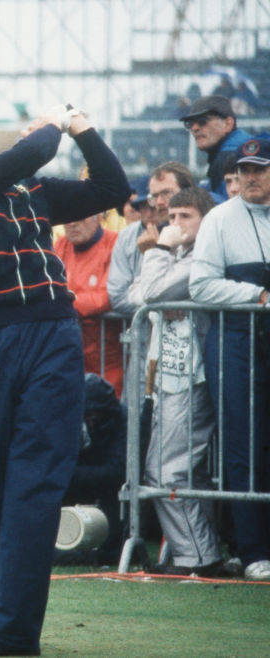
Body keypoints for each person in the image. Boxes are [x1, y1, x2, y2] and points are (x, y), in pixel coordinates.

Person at [0, 89, 129, 655]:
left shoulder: (33, 190)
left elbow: (113, 190)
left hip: (51, 335)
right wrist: (49, 126)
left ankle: (10, 630)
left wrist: (81, 128)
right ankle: (8, 611)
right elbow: (29, 153)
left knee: (35, 484)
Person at [189, 136, 270, 581]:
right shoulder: (219, 219)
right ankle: (251, 548)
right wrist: (256, 294)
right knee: (242, 442)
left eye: (259, 169)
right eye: (244, 170)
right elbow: (200, 286)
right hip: (236, 339)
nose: (250, 177)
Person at [138, 187, 222, 576]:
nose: (175, 225)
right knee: (176, 469)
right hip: (168, 375)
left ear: (206, 220)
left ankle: (197, 556)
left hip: (192, 375)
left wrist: (156, 249)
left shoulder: (202, 256)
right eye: (170, 218)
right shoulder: (177, 258)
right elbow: (134, 297)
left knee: (168, 471)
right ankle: (198, 551)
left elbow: (151, 291)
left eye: (185, 216)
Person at [57, 373, 127, 567]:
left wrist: (69, 475)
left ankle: (106, 550)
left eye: (91, 416)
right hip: (79, 478)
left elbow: (118, 472)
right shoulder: (67, 417)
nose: (87, 420)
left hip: (110, 489)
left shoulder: (122, 420)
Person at [108, 162, 194, 316]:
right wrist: (159, 307)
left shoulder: (196, 232)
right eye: (154, 197)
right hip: (148, 335)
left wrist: (156, 251)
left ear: (188, 193)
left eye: (166, 193)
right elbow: (122, 296)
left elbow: (155, 292)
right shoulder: (128, 235)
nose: (159, 203)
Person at [53, 209, 123, 396]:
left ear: (99, 216)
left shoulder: (116, 244)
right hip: (68, 358)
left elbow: (112, 295)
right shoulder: (60, 246)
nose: (72, 223)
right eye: (67, 217)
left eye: (80, 215)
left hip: (108, 362)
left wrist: (65, 304)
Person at [179, 95, 251, 202]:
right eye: (190, 124)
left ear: (227, 124)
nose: (194, 128)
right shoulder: (244, 144)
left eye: (202, 121)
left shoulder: (228, 156)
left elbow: (229, 209)